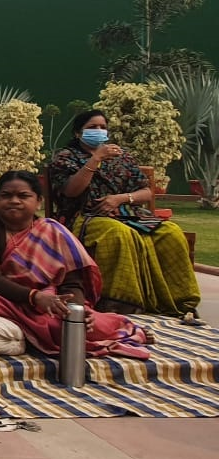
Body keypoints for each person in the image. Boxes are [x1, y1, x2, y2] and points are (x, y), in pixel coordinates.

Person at [0, 171, 149, 359]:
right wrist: (35, 297)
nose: (14, 201)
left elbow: (72, 282)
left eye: (23, 196)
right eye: (6, 195)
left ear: (39, 202)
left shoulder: (52, 230)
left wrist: (75, 310)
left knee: (83, 324)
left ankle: (120, 327)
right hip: (3, 298)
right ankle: (49, 333)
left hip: (50, 301)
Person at [50, 109, 200, 317]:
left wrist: (120, 198)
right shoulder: (66, 157)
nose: (99, 131)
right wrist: (95, 159)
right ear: (78, 133)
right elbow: (71, 189)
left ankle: (179, 303)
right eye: (93, 127)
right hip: (87, 216)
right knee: (119, 234)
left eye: (103, 127)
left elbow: (146, 192)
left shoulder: (122, 157)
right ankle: (123, 304)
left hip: (129, 213)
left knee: (171, 233)